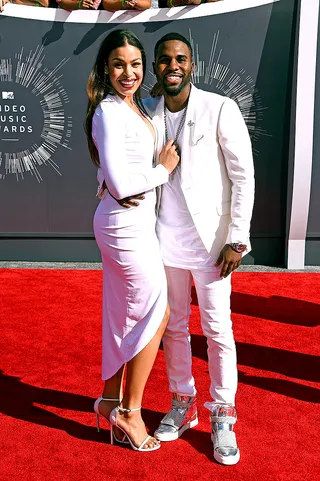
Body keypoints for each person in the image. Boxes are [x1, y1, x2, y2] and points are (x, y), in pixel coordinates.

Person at [122, 32, 255, 464]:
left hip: (214, 245)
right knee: (173, 328)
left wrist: (237, 236)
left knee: (217, 330)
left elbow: (243, 177)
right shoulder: (148, 114)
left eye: (180, 58)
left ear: (192, 64)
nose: (172, 66)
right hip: (164, 242)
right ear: (156, 68)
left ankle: (223, 413)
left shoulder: (219, 108)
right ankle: (184, 402)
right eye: (163, 60)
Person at [84, 29, 179, 452]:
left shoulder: (133, 106)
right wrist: (163, 170)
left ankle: (108, 400)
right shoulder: (107, 110)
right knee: (156, 313)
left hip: (135, 223)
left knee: (122, 315)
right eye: (119, 64)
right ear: (105, 67)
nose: (129, 72)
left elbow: (115, 174)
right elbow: (123, 185)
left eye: (136, 64)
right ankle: (129, 412)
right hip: (123, 223)